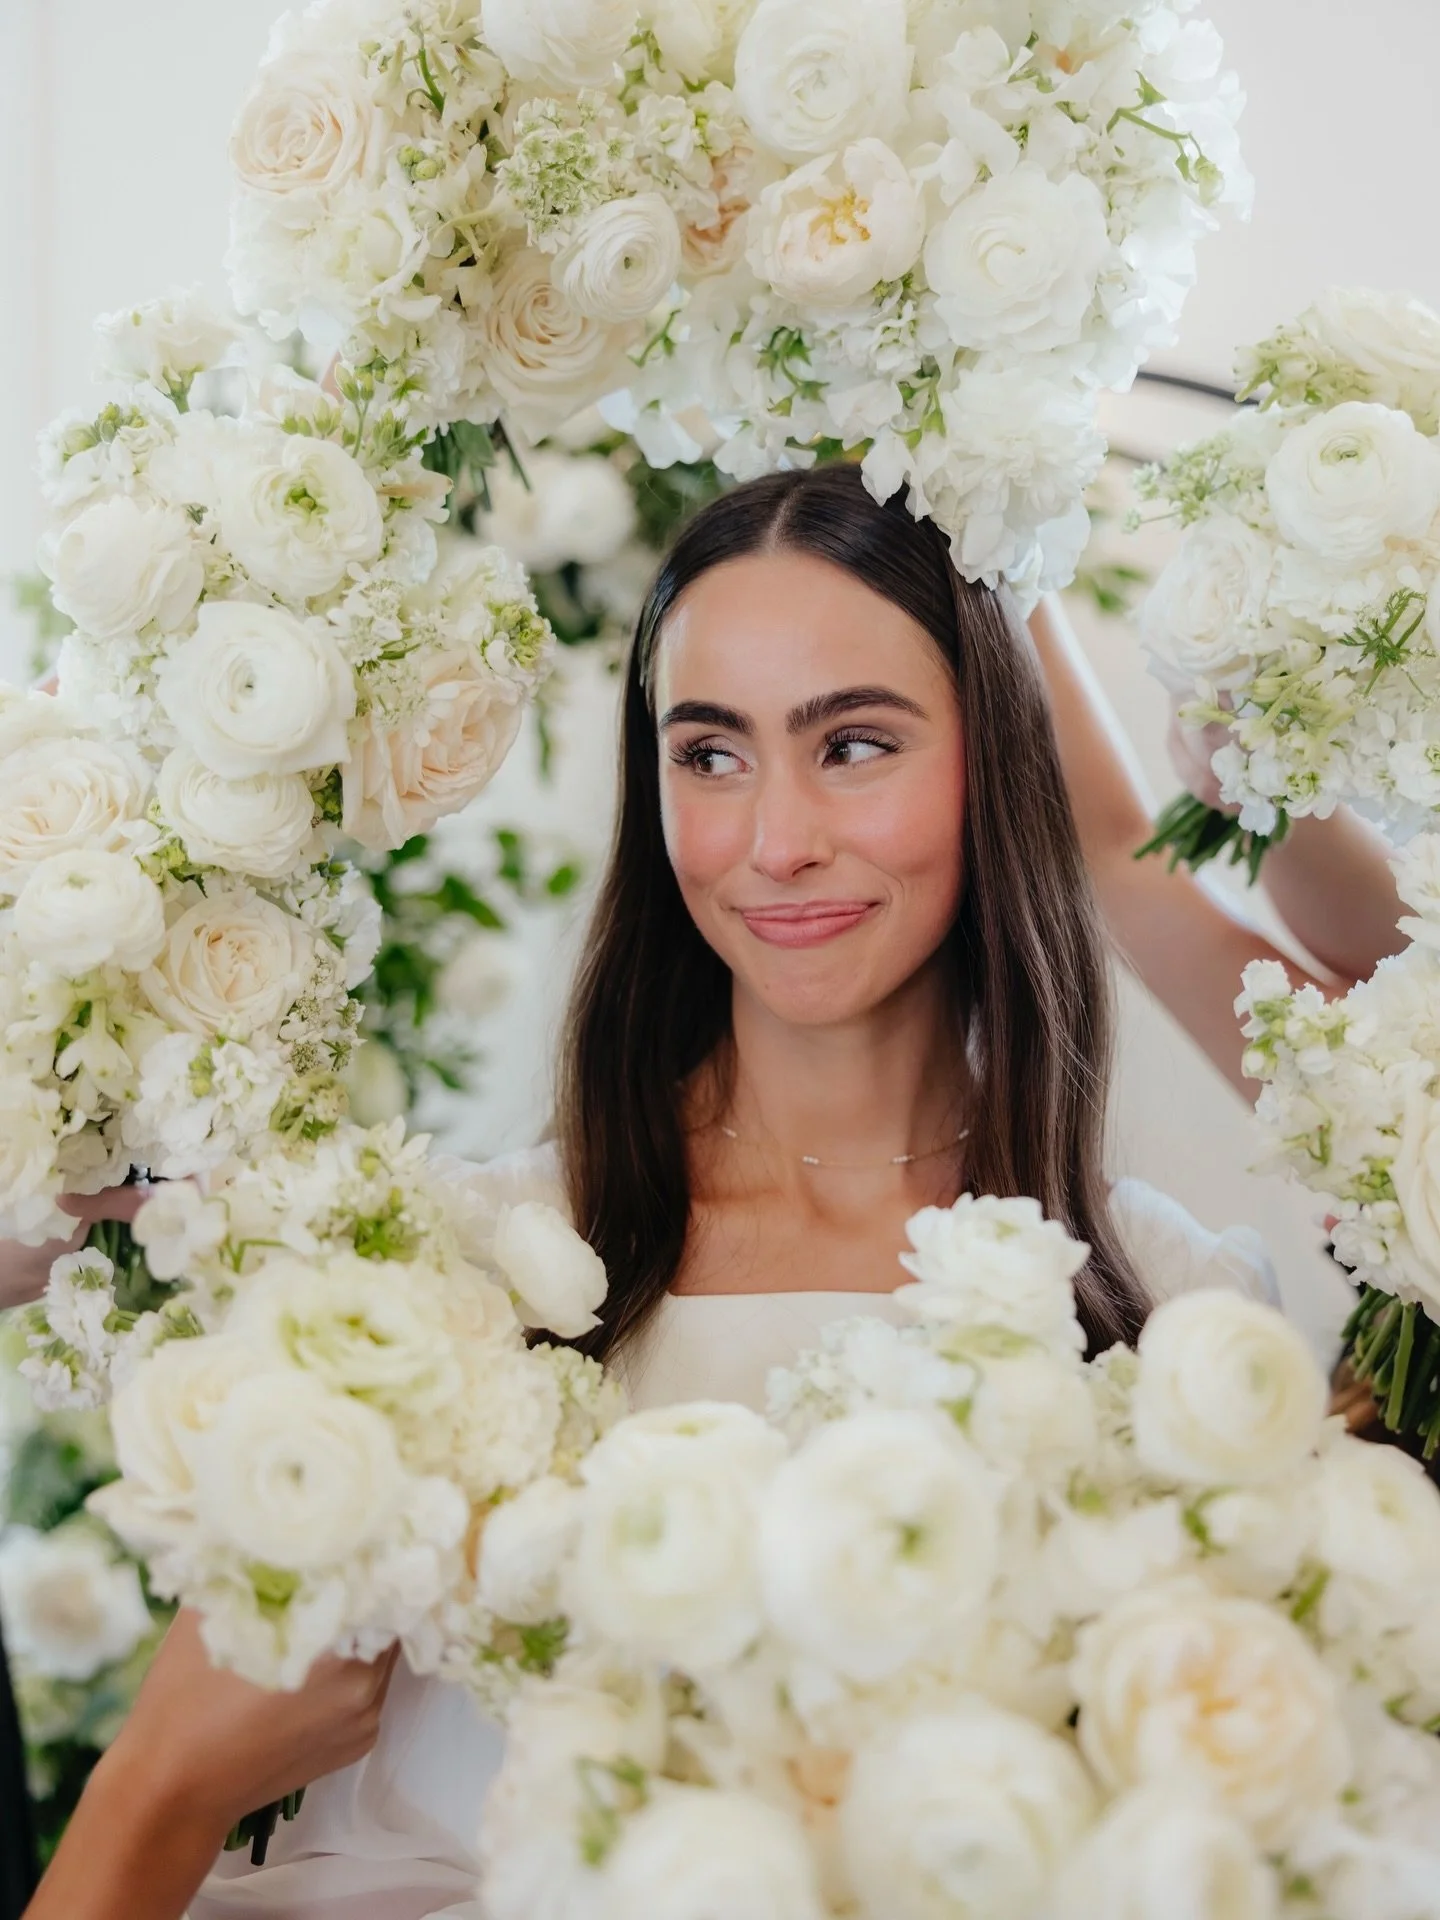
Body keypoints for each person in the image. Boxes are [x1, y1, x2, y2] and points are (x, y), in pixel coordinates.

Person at [20, 465, 1293, 1918]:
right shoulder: (458, 1286)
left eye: (856, 744)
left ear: (992, 761)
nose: (775, 841)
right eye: (710, 753)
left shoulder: (1173, 1319)